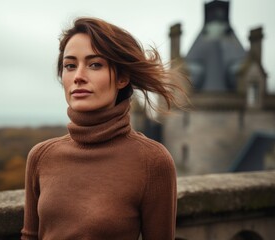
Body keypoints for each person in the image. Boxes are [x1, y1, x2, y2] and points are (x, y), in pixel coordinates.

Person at [21, 17, 186, 240]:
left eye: (95, 64)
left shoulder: (153, 161)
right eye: (70, 65)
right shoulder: (41, 156)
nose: (78, 76)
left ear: (122, 77)